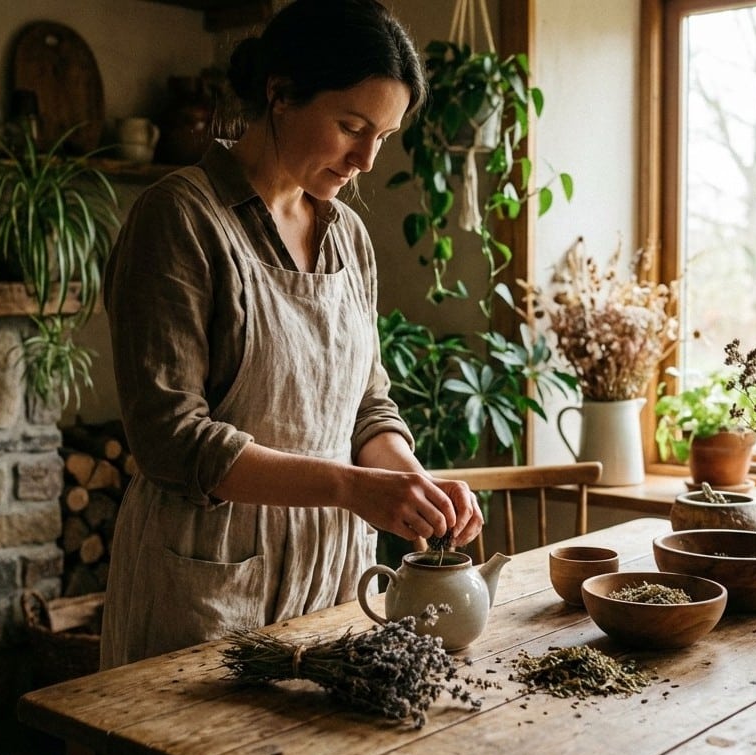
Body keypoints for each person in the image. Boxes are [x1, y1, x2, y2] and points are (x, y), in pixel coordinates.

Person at [99, 0, 484, 669]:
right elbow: (170, 439)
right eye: (350, 127)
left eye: (383, 136)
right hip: (208, 580)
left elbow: (367, 407)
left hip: (335, 572)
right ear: (279, 94)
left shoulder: (348, 236)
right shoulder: (180, 218)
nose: (366, 160)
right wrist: (351, 488)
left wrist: (412, 482)